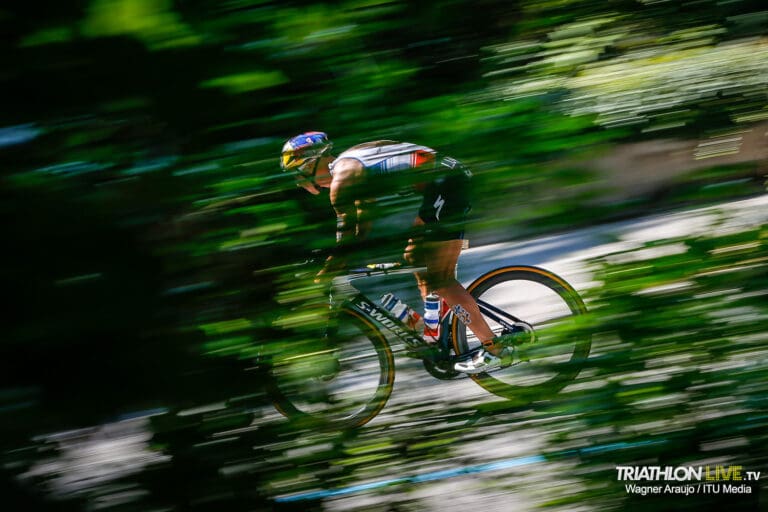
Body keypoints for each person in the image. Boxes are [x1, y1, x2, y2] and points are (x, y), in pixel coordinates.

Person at [280, 131, 511, 374]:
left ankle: (495, 349)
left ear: (310, 163)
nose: (298, 181)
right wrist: (335, 260)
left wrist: (326, 272)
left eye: (298, 173)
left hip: (446, 181)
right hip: (444, 181)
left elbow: (347, 237)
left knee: (440, 279)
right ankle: (434, 333)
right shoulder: (348, 170)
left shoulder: (342, 179)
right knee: (413, 256)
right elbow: (362, 228)